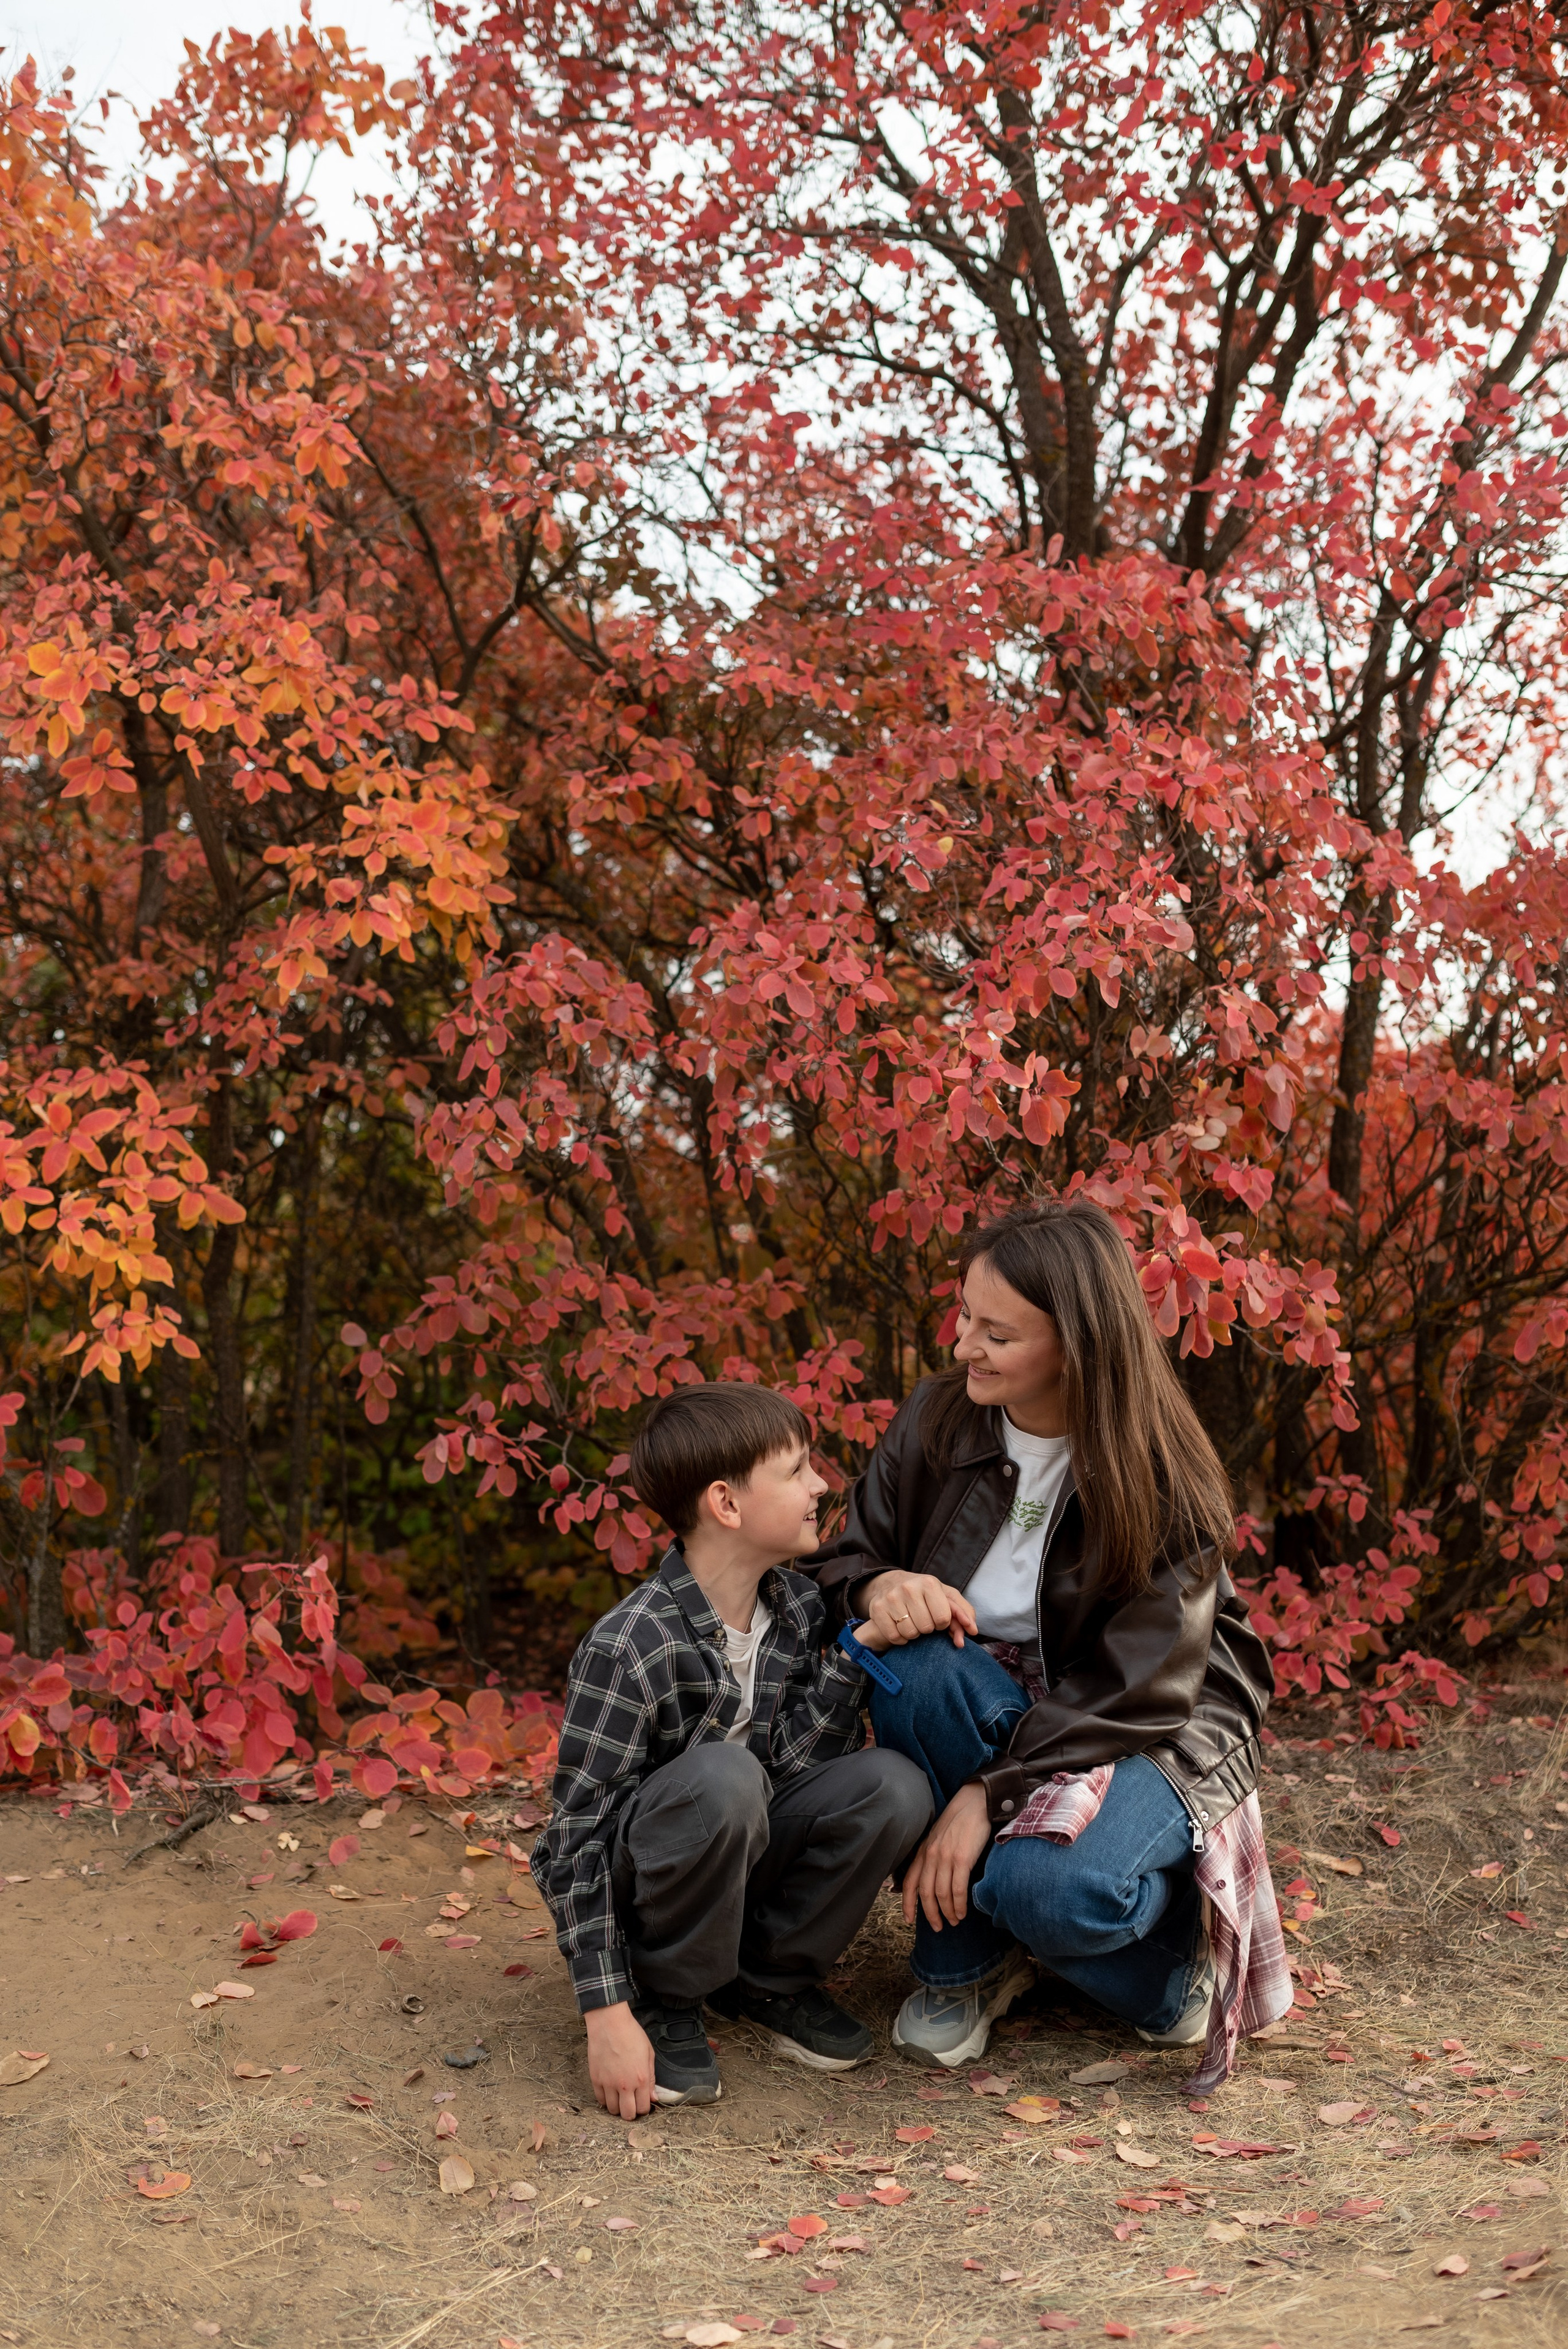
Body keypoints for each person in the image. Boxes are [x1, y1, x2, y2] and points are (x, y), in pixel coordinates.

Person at [807, 1198, 1276, 2073]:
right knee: (916, 1660)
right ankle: (966, 1965)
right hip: (985, 1699)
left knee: (1048, 1891)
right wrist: (882, 1581)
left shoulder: (1162, 1468)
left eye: (997, 1333)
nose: (962, 1346)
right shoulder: (940, 1417)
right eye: (965, 1317)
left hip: (1143, 1720)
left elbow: (1142, 1683)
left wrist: (982, 1795)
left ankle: (1166, 1973)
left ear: (1075, 1341)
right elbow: (840, 1560)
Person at [534, 1381, 933, 2117]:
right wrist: (606, 2010)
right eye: (796, 1470)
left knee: (892, 1784)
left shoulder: (798, 1609)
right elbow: (571, 1843)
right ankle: (670, 1992)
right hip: (650, 1894)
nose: (820, 1484)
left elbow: (797, 1772)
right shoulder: (629, 1646)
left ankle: (766, 1977)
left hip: (741, 1853)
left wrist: (855, 1653)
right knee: (724, 1775)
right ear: (726, 1504)